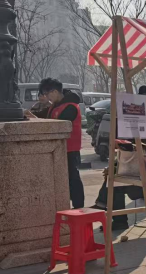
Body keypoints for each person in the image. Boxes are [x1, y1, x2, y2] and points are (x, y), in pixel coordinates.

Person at [40, 78, 85, 209]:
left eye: (47, 94)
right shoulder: (54, 107)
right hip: (58, 150)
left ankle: (79, 208)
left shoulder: (71, 107)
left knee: (73, 179)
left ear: (54, 91)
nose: (47, 98)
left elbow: (57, 126)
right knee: (62, 180)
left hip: (70, 150)